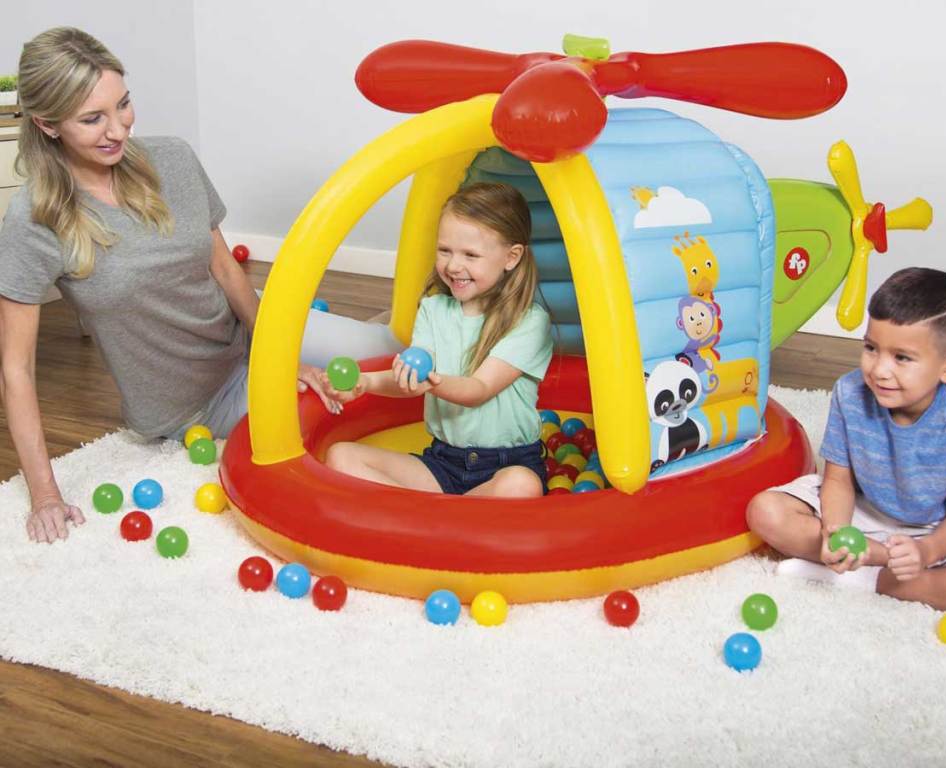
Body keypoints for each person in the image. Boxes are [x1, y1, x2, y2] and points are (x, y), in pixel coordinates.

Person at [0, 28, 400, 544]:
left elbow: (226, 269)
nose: (118, 129)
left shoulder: (172, 159)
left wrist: (278, 357)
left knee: (398, 354)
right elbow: (16, 369)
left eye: (123, 105)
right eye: (92, 118)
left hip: (255, 338)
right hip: (196, 402)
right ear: (47, 125)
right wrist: (46, 494)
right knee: (346, 414)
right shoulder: (35, 218)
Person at [747, 267, 946, 618]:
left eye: (902, 358)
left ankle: (867, 579)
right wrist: (837, 529)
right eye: (871, 348)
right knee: (765, 511)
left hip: (931, 531)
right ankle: (860, 561)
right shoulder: (850, 393)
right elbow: (838, 479)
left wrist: (925, 552)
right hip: (860, 511)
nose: (879, 369)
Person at [323, 182, 553, 498]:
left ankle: (429, 522)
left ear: (511, 257)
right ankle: (444, 523)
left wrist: (433, 383)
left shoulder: (528, 321)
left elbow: (478, 390)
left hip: (505, 465)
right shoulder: (433, 310)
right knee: (340, 455)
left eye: (471, 255)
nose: (453, 265)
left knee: (522, 486)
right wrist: (367, 382)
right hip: (443, 464)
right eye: (445, 250)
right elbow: (412, 379)